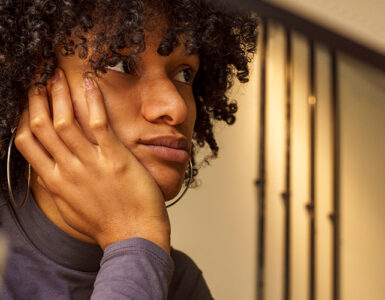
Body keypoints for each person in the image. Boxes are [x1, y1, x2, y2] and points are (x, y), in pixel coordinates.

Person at [0, 0, 258, 299]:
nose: (176, 108)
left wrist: (136, 244)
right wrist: (136, 240)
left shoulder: (181, 284)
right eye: (121, 64)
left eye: (184, 74)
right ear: (35, 85)